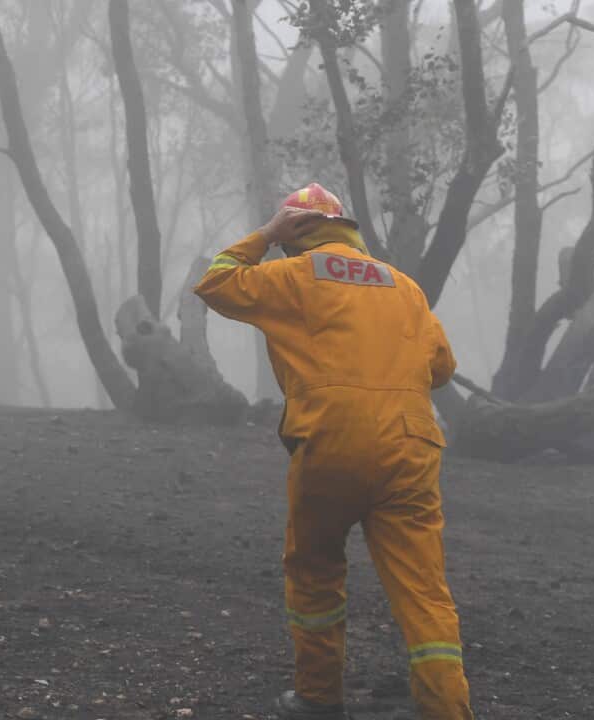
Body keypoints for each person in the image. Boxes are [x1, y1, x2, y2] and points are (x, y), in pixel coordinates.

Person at [194, 183, 473, 719]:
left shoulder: (294, 274)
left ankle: (319, 698)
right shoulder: (404, 287)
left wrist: (266, 235)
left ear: (296, 233)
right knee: (424, 590)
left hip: (331, 440)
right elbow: (442, 368)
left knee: (316, 570)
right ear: (345, 227)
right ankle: (447, 709)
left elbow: (216, 281)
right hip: (411, 444)